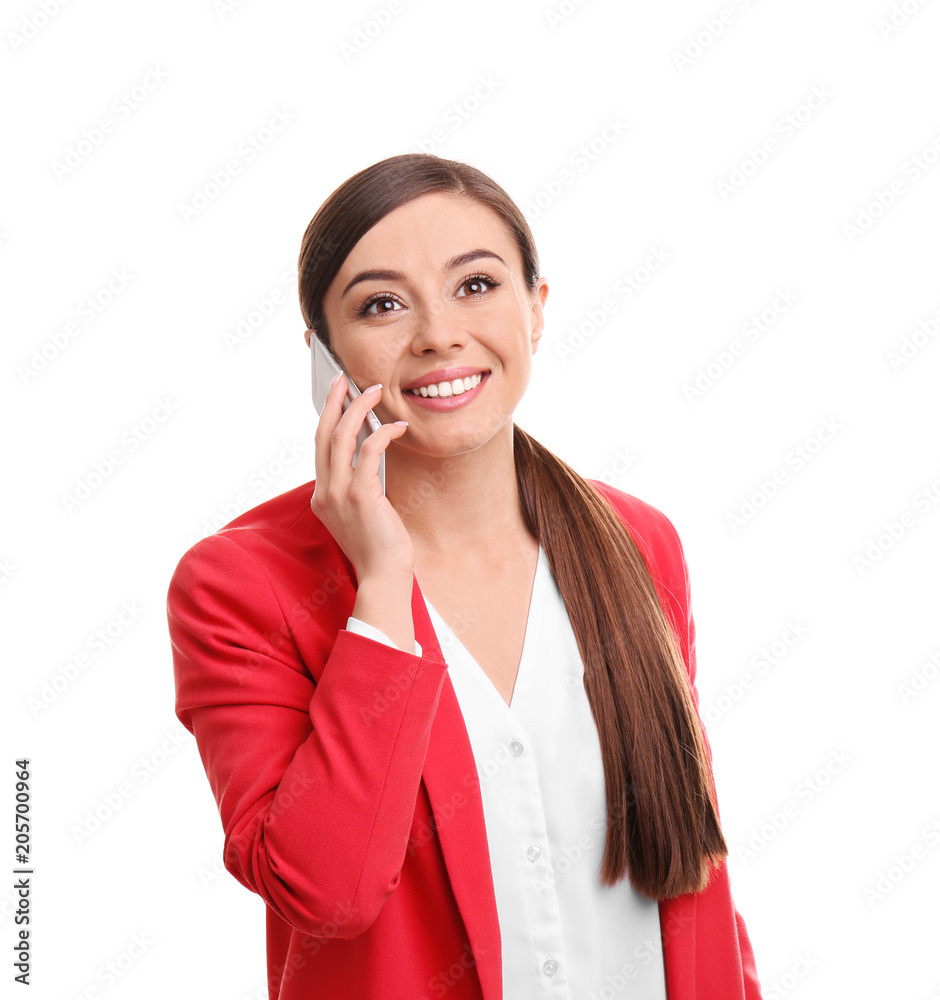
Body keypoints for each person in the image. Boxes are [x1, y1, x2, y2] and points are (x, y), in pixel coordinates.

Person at [167, 152, 763, 1000]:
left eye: (476, 285)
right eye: (382, 304)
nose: (439, 334)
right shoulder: (239, 586)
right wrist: (381, 585)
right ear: (323, 355)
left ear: (537, 308)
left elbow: (697, 871)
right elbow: (327, 892)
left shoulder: (640, 542)